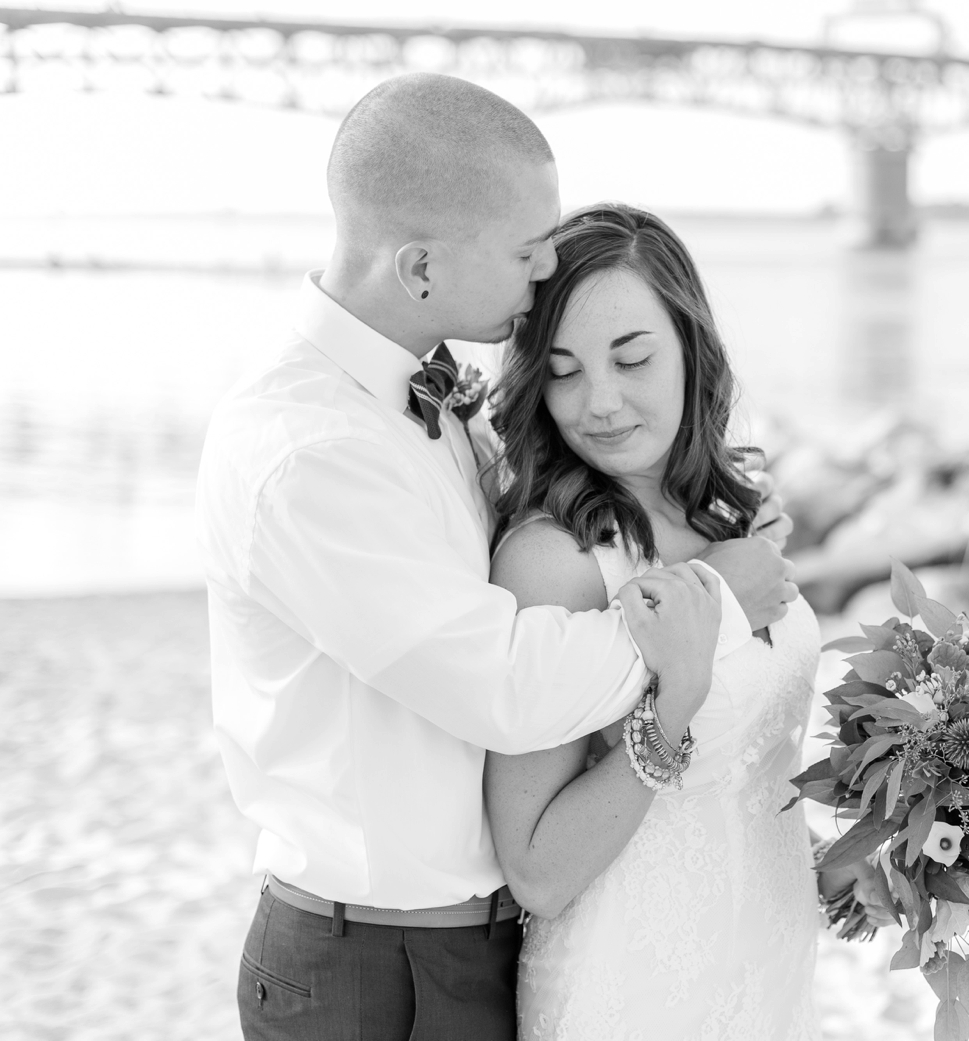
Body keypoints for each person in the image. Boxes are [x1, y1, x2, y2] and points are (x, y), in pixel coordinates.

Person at [196, 73, 796, 1041]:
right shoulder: (309, 454)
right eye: (525, 248)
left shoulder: (425, 401)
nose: (545, 266)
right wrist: (710, 603)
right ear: (422, 267)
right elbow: (507, 687)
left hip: (485, 945)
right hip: (371, 964)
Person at [482, 204, 892, 1041]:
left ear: (690, 346)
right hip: (633, 990)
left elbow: (740, 775)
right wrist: (673, 699)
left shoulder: (732, 515)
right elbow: (538, 869)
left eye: (631, 358)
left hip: (770, 963)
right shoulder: (556, 560)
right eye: (562, 370)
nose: (599, 402)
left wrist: (846, 855)